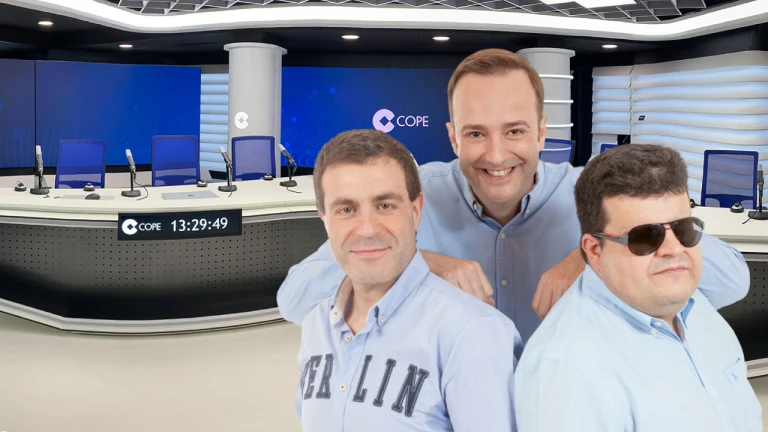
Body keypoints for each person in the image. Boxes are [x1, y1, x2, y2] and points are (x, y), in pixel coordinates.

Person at [277, 48, 750, 343]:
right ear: (453, 137)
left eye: (515, 130)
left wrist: (596, 254)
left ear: (542, 133)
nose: (497, 154)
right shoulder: (409, 196)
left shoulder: (595, 196)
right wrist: (416, 261)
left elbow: (731, 280)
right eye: (476, 133)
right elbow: (296, 299)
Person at [514, 144, 762, 431]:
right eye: (645, 236)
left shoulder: (693, 305)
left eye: (683, 229)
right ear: (594, 250)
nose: (674, 250)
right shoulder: (567, 370)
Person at [294, 129, 521, 432]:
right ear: (324, 218)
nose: (367, 229)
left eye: (385, 205)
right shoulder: (317, 324)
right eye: (346, 209)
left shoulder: (471, 333)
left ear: (415, 211)